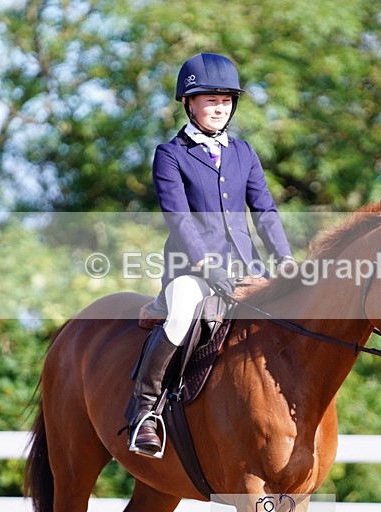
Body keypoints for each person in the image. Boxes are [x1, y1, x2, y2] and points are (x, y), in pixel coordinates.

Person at [125, 52, 295, 457]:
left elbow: (265, 210)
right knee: (184, 314)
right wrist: (206, 266)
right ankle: (145, 411)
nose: (219, 108)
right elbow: (178, 218)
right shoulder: (171, 154)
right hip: (192, 269)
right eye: (210, 100)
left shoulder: (243, 152)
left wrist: (285, 261)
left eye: (225, 101)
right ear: (189, 103)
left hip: (246, 268)